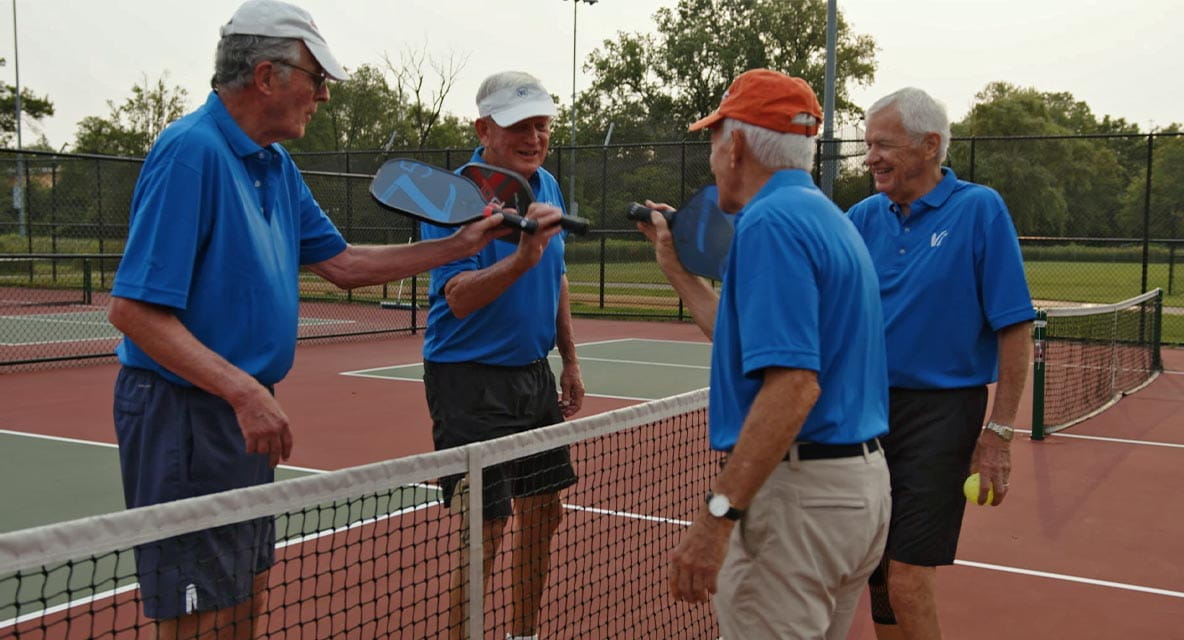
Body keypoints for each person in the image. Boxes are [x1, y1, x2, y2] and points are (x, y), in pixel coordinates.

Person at [106, 2, 507, 638]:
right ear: (267, 76)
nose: (322, 95)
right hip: (186, 412)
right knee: (199, 614)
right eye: (316, 79)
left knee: (241, 597)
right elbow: (132, 310)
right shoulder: (191, 153)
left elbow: (344, 263)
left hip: (242, 409)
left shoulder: (276, 164)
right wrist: (242, 391)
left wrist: (459, 246)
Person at [640, 69, 892, 638]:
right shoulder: (827, 217)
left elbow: (794, 385)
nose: (712, 155)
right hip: (855, 495)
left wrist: (717, 515)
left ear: (738, 145)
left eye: (713, 139)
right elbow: (764, 357)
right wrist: (680, 275)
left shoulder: (770, 224)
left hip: (798, 502)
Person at [847, 87, 1034, 640]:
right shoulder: (860, 218)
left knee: (906, 574)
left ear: (930, 145)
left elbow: (1015, 327)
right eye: (868, 144)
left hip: (943, 415)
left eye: (883, 144)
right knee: (876, 571)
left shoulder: (979, 209)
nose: (871, 157)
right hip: (867, 411)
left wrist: (998, 432)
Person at [418, 71, 584, 640]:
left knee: (545, 512)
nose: (534, 136)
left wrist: (570, 358)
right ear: (483, 127)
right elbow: (458, 298)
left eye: (542, 124)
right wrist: (520, 259)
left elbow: (557, 275)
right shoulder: (455, 195)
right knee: (484, 529)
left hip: (533, 376)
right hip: (467, 381)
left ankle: (523, 634)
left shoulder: (549, 186)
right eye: (519, 125)